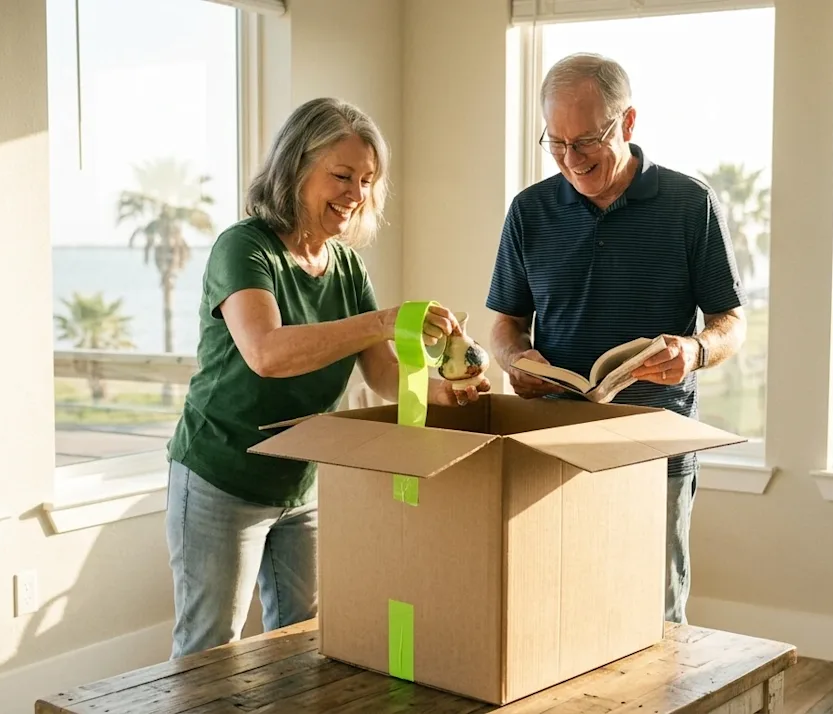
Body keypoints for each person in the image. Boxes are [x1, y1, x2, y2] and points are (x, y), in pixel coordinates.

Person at [165, 97, 489, 658]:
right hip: (221, 477)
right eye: (341, 175)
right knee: (209, 651)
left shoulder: (344, 265)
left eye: (367, 179)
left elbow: (383, 372)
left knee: (304, 642)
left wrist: (443, 394)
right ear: (295, 168)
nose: (356, 193)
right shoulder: (244, 248)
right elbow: (266, 353)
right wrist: (383, 320)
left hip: (302, 481)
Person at [486, 53, 746, 625]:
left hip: (655, 448)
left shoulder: (689, 204)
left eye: (585, 142)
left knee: (653, 621)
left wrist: (695, 351)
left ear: (627, 124)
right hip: (551, 445)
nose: (570, 161)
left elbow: (731, 322)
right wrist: (513, 361)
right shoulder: (529, 211)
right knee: (554, 613)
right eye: (555, 143)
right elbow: (505, 324)